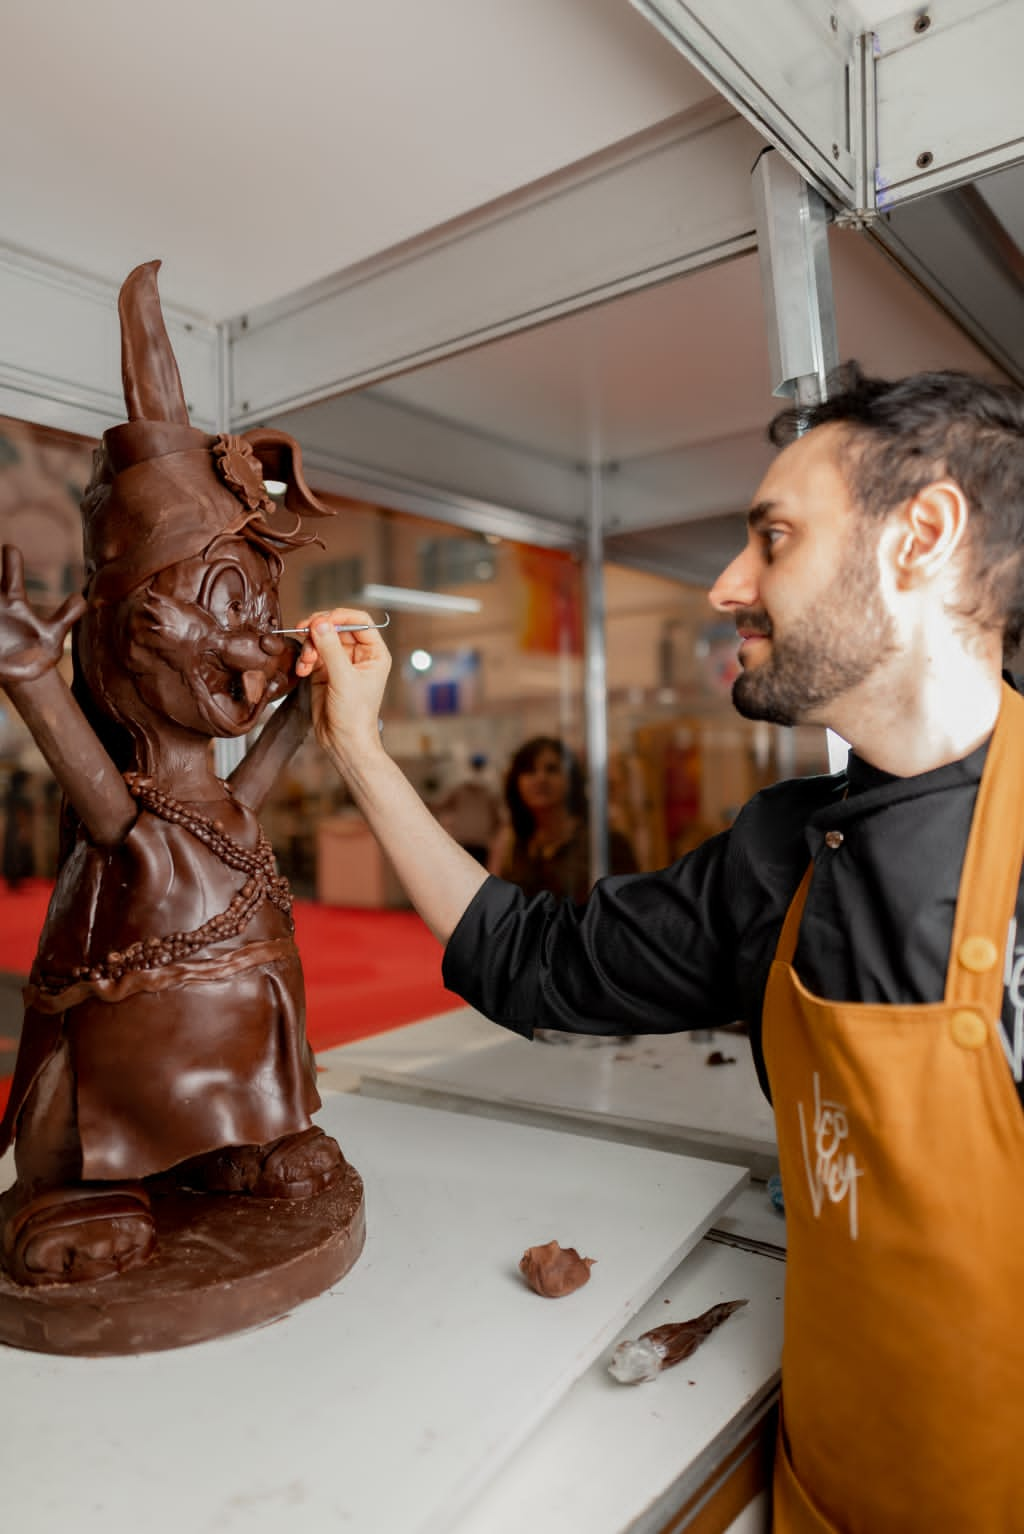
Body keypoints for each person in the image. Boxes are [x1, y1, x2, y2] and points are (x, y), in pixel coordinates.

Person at [295, 364, 1024, 1534]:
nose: (728, 584)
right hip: (824, 1489)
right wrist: (360, 750)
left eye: (773, 537)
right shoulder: (783, 854)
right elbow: (535, 961)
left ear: (921, 535)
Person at [489, 735, 637, 900]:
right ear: (516, 782)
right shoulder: (510, 844)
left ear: (571, 778)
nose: (541, 778)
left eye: (552, 769)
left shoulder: (604, 842)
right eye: (530, 771)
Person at [435, 751, 501, 866]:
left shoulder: (488, 791)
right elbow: (498, 819)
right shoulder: (463, 789)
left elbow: (441, 805)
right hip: (470, 842)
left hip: (475, 842)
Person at [1, 768, 36, 891]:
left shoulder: (9, 794)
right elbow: (21, 813)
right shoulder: (19, 795)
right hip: (17, 826)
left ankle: (13, 880)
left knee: (11, 852)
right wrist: (23, 829)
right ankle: (15, 880)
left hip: (11, 826)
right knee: (17, 853)